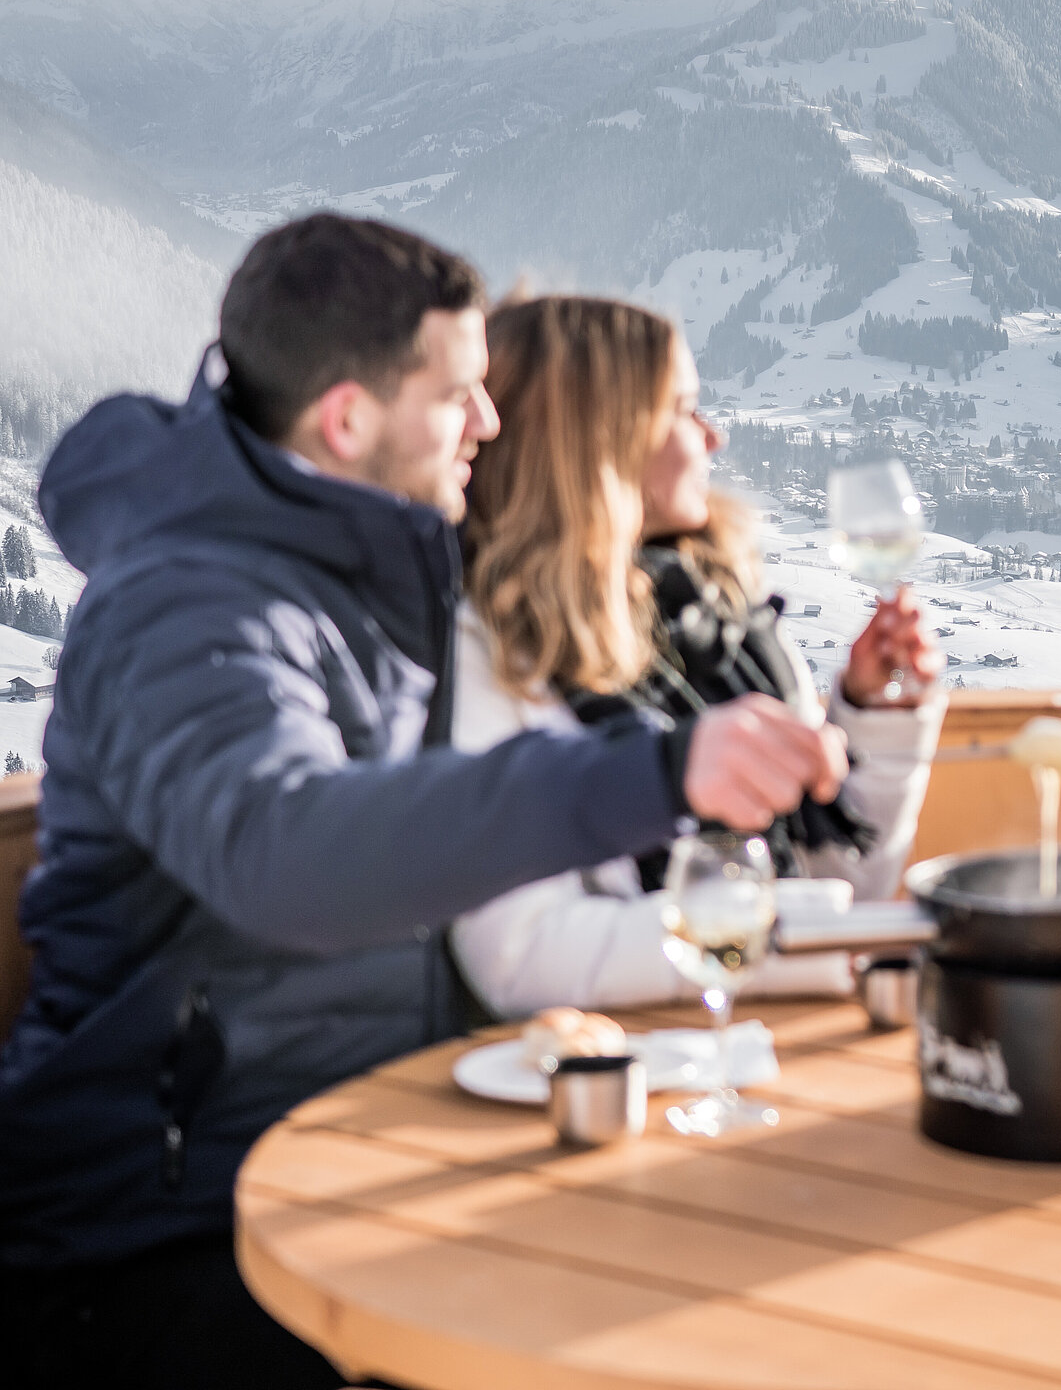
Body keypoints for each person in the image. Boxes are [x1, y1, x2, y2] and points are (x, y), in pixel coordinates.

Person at [0, 215, 846, 1389]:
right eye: (459, 398)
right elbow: (286, 850)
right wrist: (650, 779)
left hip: (363, 1159)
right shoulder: (194, 612)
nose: (488, 426)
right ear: (347, 418)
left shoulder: (362, 572)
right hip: (161, 1227)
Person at [447, 294, 946, 1013]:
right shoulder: (489, 654)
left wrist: (873, 717)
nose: (713, 438)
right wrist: (790, 938)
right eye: (683, 410)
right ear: (602, 444)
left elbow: (839, 885)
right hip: (619, 1071)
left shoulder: (721, 627)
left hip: (755, 1049)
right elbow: (522, 960)